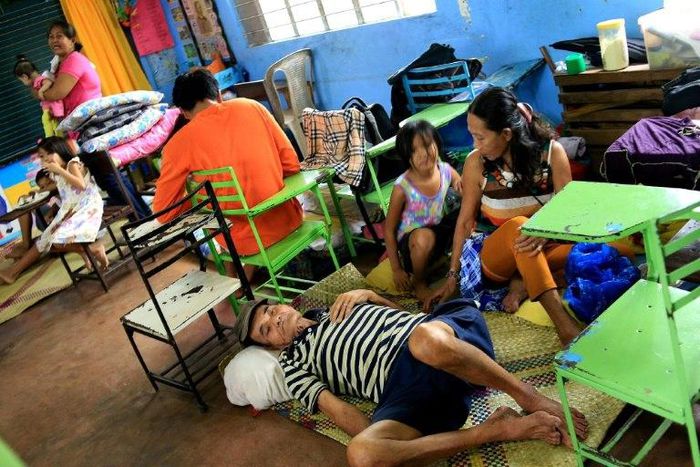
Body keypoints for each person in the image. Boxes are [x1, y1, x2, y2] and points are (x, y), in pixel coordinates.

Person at [232, 290, 588, 466]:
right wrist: (387, 435)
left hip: (446, 338)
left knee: (425, 340)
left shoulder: (333, 305)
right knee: (361, 455)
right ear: (271, 346)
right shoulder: (293, 364)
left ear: (284, 303)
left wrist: (369, 295)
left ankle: (527, 396)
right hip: (405, 390)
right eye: (265, 331)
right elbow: (337, 410)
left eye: (271, 310)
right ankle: (496, 429)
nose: (274, 320)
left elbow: (410, 317)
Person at [425, 87, 633, 346]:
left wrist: (544, 235)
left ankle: (524, 281)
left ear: (507, 134)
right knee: (520, 227)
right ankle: (565, 328)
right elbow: (465, 222)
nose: (474, 145)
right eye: (472, 137)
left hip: (540, 248)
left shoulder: (551, 154)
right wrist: (452, 276)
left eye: (480, 138)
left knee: (620, 247)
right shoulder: (476, 163)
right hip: (494, 258)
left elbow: (568, 214)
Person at [153, 68, 303, 279]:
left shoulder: (178, 144)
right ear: (219, 95)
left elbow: (163, 212)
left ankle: (239, 282)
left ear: (183, 112)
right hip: (290, 218)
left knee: (217, 218)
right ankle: (242, 278)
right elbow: (291, 165)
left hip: (245, 241)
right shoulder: (252, 106)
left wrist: (200, 194)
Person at [20, 21, 151, 219]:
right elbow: (49, 94)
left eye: (60, 36)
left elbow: (57, 93)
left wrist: (41, 91)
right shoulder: (60, 65)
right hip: (82, 132)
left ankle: (142, 219)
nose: (54, 40)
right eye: (51, 37)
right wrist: (38, 88)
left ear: (72, 40)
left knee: (111, 178)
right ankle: (142, 218)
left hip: (94, 130)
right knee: (108, 179)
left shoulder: (74, 61)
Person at [0, 137, 107, 284]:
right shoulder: (58, 173)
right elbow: (57, 186)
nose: (43, 161)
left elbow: (81, 185)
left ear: (56, 152)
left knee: (55, 240)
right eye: (41, 158)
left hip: (86, 207)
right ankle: (12, 273)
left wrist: (58, 170)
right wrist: (38, 192)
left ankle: (93, 249)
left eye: (44, 156)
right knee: (45, 239)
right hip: (69, 210)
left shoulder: (72, 164)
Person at [384, 120, 461, 300]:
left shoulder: (445, 170)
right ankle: (419, 281)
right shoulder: (402, 186)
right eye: (413, 150)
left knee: (466, 210)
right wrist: (396, 269)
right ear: (406, 155)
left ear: (437, 144)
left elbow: (462, 186)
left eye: (427, 145)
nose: (423, 154)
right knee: (423, 237)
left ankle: (450, 262)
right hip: (414, 243)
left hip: (439, 233)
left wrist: (461, 184)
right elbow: (388, 230)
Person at [6, 170, 60, 260]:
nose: (46, 188)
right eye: (42, 186)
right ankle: (26, 244)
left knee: (44, 242)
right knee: (24, 200)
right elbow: (58, 203)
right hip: (48, 219)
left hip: (60, 223)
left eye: (49, 183)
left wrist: (40, 191)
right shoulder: (48, 192)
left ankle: (28, 247)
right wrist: (50, 212)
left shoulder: (62, 182)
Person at [13, 55, 64, 137]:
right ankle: (55, 136)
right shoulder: (36, 82)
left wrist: (41, 90)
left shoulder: (39, 80)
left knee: (48, 121)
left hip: (52, 107)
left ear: (25, 77)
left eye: (21, 81)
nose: (23, 83)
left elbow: (48, 82)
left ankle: (51, 137)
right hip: (48, 108)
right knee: (51, 122)